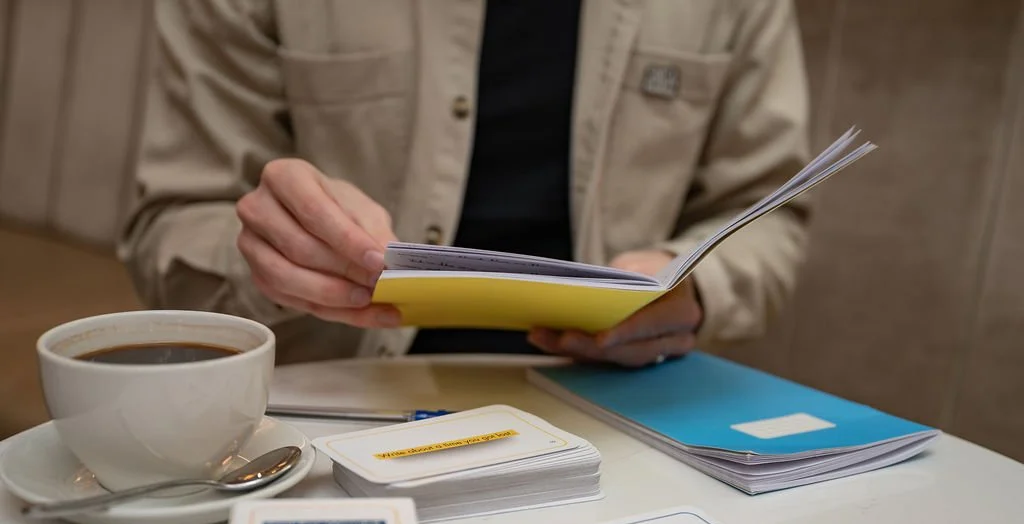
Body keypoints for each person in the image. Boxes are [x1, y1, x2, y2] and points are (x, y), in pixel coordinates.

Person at [119, 0, 811, 367]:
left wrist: (687, 288)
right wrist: (271, 261)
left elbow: (769, 214)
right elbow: (173, 219)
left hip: (619, 410)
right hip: (330, 405)